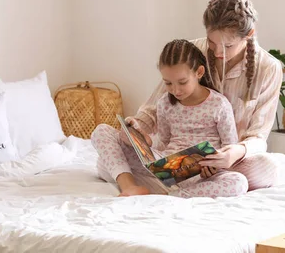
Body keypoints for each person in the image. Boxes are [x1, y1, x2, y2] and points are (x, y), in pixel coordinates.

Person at [130, 0, 282, 191]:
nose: (218, 52)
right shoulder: (193, 50)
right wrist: (136, 127)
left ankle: (182, 185)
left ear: (248, 35)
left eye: (228, 45)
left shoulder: (268, 68)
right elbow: (157, 103)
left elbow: (258, 136)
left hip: (228, 160)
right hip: (179, 156)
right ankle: (174, 179)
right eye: (212, 42)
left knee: (267, 169)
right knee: (114, 141)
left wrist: (235, 153)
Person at [91, 39, 249, 198]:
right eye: (168, 83)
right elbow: (163, 143)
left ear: (199, 73)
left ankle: (173, 196)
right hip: (166, 169)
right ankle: (130, 186)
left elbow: (230, 147)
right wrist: (144, 140)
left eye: (182, 82)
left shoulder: (219, 104)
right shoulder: (165, 104)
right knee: (102, 132)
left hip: (201, 175)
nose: (176, 90)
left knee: (239, 182)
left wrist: (215, 166)